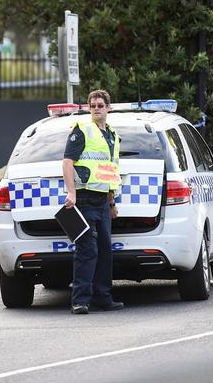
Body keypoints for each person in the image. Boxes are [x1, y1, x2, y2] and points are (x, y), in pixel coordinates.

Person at [62, 89, 123, 314]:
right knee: (87, 251)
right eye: (93, 105)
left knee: (106, 251)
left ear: (109, 108)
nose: (96, 108)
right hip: (84, 198)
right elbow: (68, 162)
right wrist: (72, 193)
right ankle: (80, 301)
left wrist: (111, 202)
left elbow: (110, 171)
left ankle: (103, 298)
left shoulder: (113, 136)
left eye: (100, 105)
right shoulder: (82, 130)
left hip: (102, 202)